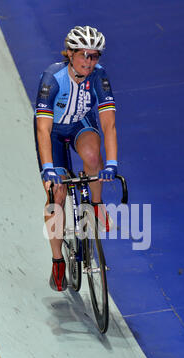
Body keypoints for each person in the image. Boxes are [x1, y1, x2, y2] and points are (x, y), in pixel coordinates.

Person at [34, 25, 118, 292]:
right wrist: (48, 168)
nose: (89, 62)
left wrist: (112, 163)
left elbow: (108, 125)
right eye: (83, 54)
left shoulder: (99, 77)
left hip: (81, 125)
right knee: (56, 194)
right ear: (69, 53)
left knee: (94, 157)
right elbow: (43, 129)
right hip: (55, 132)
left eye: (94, 56)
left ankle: (95, 204)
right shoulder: (52, 78)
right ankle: (57, 260)